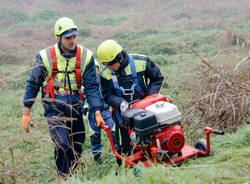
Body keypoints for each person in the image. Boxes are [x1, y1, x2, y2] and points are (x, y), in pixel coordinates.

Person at [21, 17, 105, 183]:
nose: (72, 40)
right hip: (54, 105)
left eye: (74, 36)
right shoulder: (45, 56)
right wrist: (26, 111)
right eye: (68, 38)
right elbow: (33, 83)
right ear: (59, 37)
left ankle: (71, 173)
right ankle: (62, 177)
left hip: (76, 104)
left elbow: (92, 87)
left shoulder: (86, 56)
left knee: (78, 144)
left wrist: (97, 112)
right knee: (62, 144)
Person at [97, 39, 164, 166]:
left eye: (110, 64)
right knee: (125, 147)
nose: (108, 67)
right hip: (123, 118)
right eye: (105, 64)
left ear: (119, 58)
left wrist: (149, 99)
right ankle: (126, 170)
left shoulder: (142, 61)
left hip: (147, 111)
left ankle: (156, 162)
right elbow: (107, 95)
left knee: (152, 138)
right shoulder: (106, 74)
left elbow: (157, 78)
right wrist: (120, 103)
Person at [87, 60, 116, 163]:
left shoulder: (104, 79)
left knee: (113, 133)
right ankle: (97, 159)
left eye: (95, 68)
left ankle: (118, 156)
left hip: (106, 111)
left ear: (98, 69)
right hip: (92, 113)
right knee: (94, 136)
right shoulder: (85, 81)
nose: (93, 70)